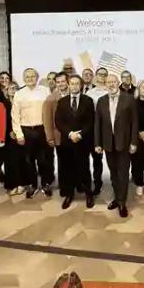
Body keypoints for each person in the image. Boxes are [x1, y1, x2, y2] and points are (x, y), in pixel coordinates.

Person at [95, 74, 138, 218]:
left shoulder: (129, 99)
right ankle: (117, 197)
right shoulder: (101, 101)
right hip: (108, 143)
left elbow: (135, 122)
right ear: (105, 84)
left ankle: (122, 203)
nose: (111, 84)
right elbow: (98, 123)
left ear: (118, 82)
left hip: (124, 143)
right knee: (113, 173)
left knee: (123, 173)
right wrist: (97, 143)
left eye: (113, 81)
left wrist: (134, 142)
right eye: (108, 82)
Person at [55, 75, 95, 209]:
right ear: (68, 85)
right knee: (68, 169)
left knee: (84, 168)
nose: (74, 86)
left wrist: (80, 134)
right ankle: (69, 195)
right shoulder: (62, 102)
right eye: (72, 83)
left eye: (77, 83)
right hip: (67, 141)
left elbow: (91, 121)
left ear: (81, 85)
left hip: (83, 141)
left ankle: (89, 194)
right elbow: (58, 121)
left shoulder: (88, 101)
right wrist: (70, 134)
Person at [12, 68, 53, 197]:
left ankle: (45, 183)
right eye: (27, 76)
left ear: (37, 77)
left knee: (43, 160)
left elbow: (50, 112)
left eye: (32, 76)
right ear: (24, 78)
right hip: (26, 130)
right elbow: (15, 115)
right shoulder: (19, 94)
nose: (30, 78)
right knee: (28, 160)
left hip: (42, 129)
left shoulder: (45, 91)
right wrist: (19, 134)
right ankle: (33, 185)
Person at [43, 72, 69, 187]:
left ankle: (77, 184)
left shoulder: (75, 94)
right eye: (58, 82)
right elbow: (47, 120)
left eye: (63, 81)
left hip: (74, 135)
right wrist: (50, 138)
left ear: (67, 81)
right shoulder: (50, 99)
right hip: (59, 136)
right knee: (63, 163)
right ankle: (64, 186)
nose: (61, 84)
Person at [86, 70, 109, 195]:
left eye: (105, 75)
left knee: (111, 158)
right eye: (100, 74)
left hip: (108, 129)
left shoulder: (110, 90)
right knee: (96, 158)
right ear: (96, 76)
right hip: (93, 129)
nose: (102, 77)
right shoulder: (90, 93)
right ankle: (97, 183)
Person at [3, 83, 26, 196]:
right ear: (6, 91)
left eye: (16, 88)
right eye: (11, 88)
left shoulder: (22, 102)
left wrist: (19, 132)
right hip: (8, 136)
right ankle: (12, 185)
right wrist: (9, 131)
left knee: (21, 160)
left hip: (21, 134)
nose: (13, 90)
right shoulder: (3, 104)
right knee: (10, 161)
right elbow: (1, 121)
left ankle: (21, 183)